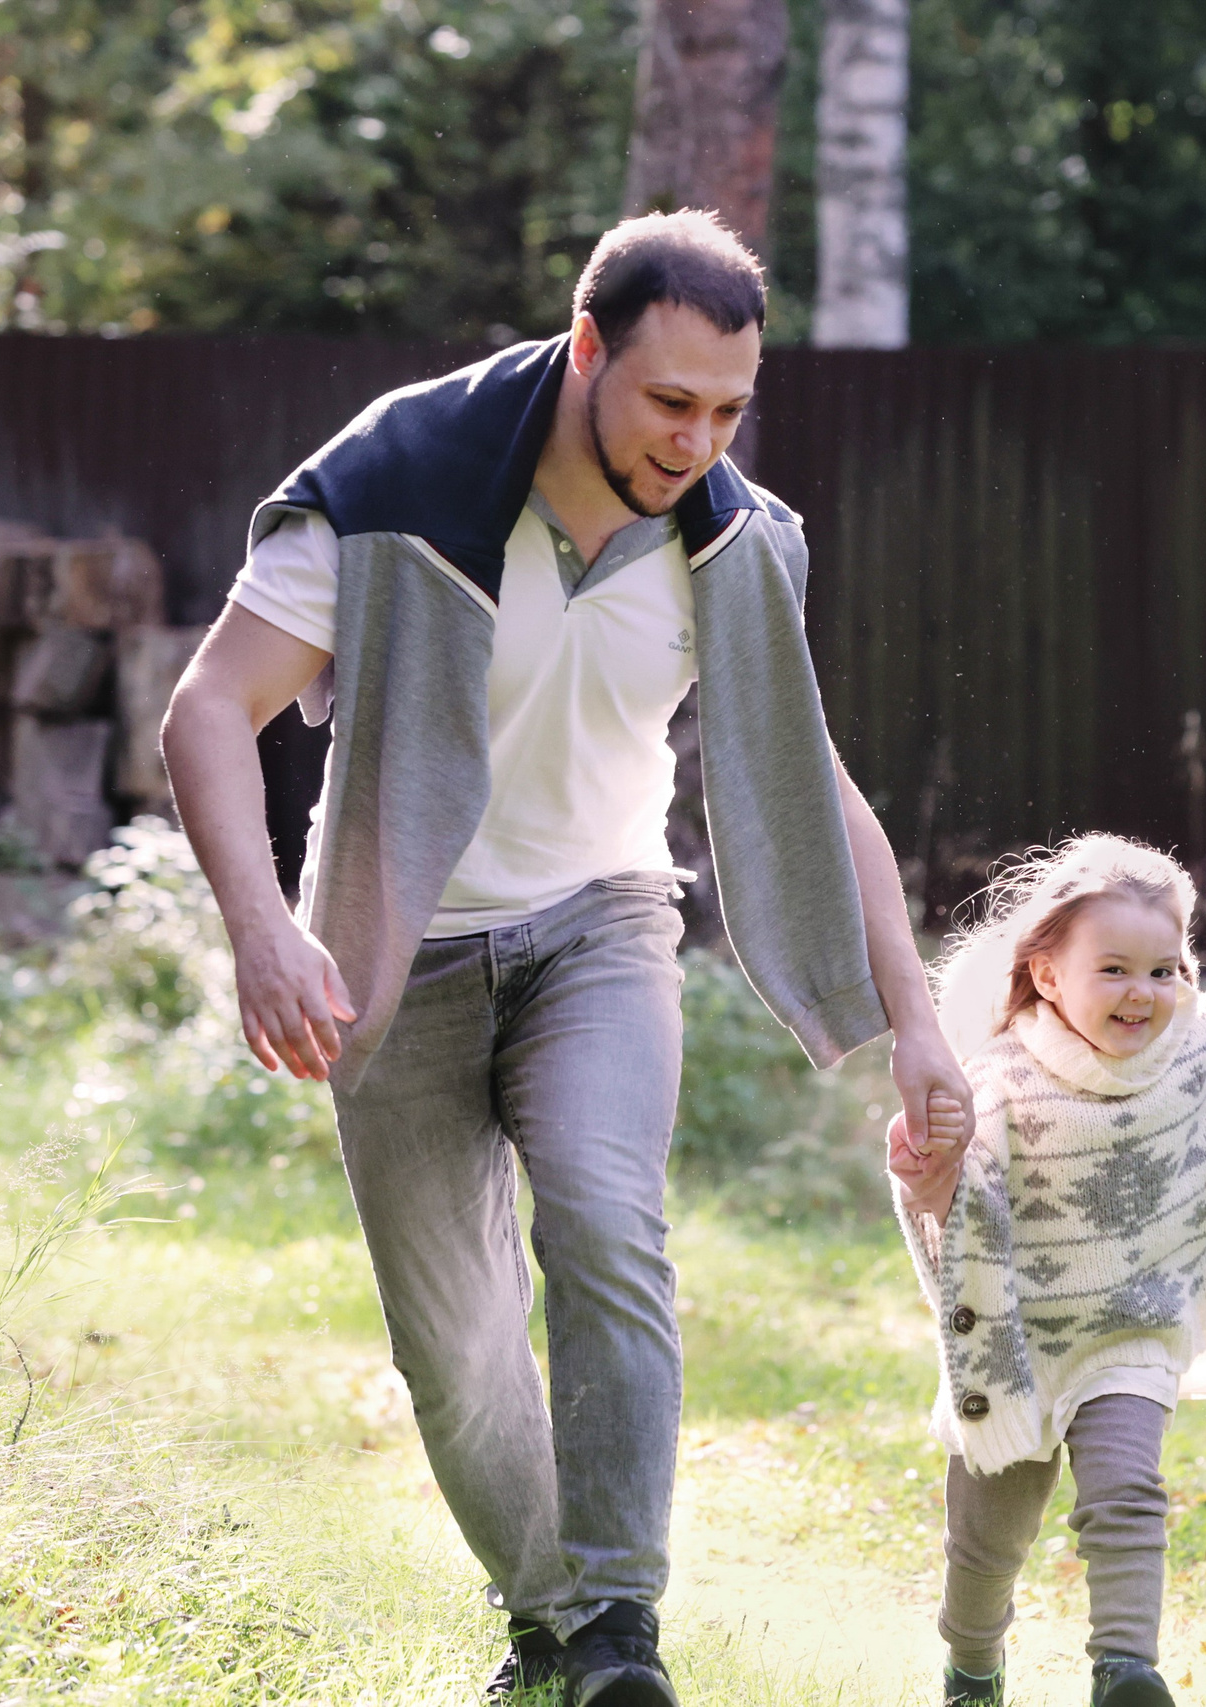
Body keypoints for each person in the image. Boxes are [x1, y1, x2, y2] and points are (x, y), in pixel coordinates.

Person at [159, 209, 975, 1707]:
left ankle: (618, 1628)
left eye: (730, 408)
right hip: (396, 954)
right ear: (587, 346)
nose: (697, 440)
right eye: (670, 400)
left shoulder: (732, 541)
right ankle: (544, 1620)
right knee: (458, 1348)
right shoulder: (398, 484)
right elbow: (211, 708)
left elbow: (819, 784)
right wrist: (264, 925)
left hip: (604, 921)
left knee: (608, 1222)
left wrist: (916, 1018)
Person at [887, 834, 1206, 1707]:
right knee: (986, 1544)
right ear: (1047, 975)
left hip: (1131, 1332)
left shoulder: (1195, 1051)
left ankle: (1125, 1669)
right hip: (1019, 1345)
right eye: (1114, 968)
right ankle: (972, 1669)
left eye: (1166, 970)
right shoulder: (1004, 1081)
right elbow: (959, 1206)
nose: (1144, 993)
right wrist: (929, 1174)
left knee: (1126, 1492)